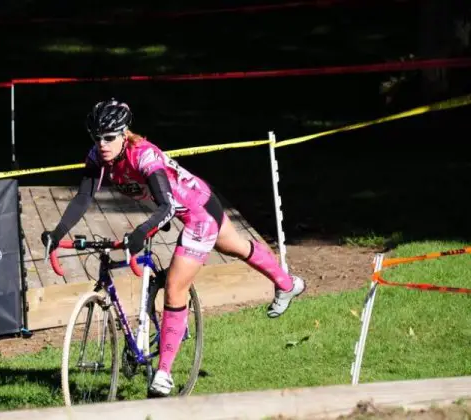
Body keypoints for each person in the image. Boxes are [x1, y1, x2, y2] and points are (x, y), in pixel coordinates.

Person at [41, 98, 306, 397]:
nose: (102, 144)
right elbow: (83, 198)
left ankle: (164, 375)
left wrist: (141, 231)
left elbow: (167, 206)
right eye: (97, 137)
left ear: (124, 133)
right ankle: (288, 283)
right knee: (235, 246)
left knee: (176, 287)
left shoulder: (144, 156)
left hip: (197, 211)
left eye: (109, 137)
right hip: (187, 203)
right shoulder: (98, 156)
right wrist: (57, 232)